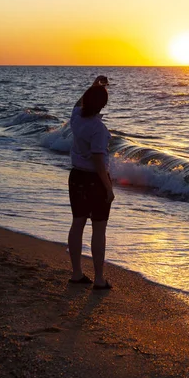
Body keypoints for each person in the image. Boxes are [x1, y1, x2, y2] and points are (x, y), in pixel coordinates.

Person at [68, 76, 114, 288]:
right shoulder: (98, 129)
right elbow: (98, 161)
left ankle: (77, 273)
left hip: (76, 176)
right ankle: (98, 278)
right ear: (103, 105)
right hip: (95, 180)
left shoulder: (77, 117)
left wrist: (93, 86)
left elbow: (78, 104)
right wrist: (108, 188)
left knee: (78, 223)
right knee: (98, 229)